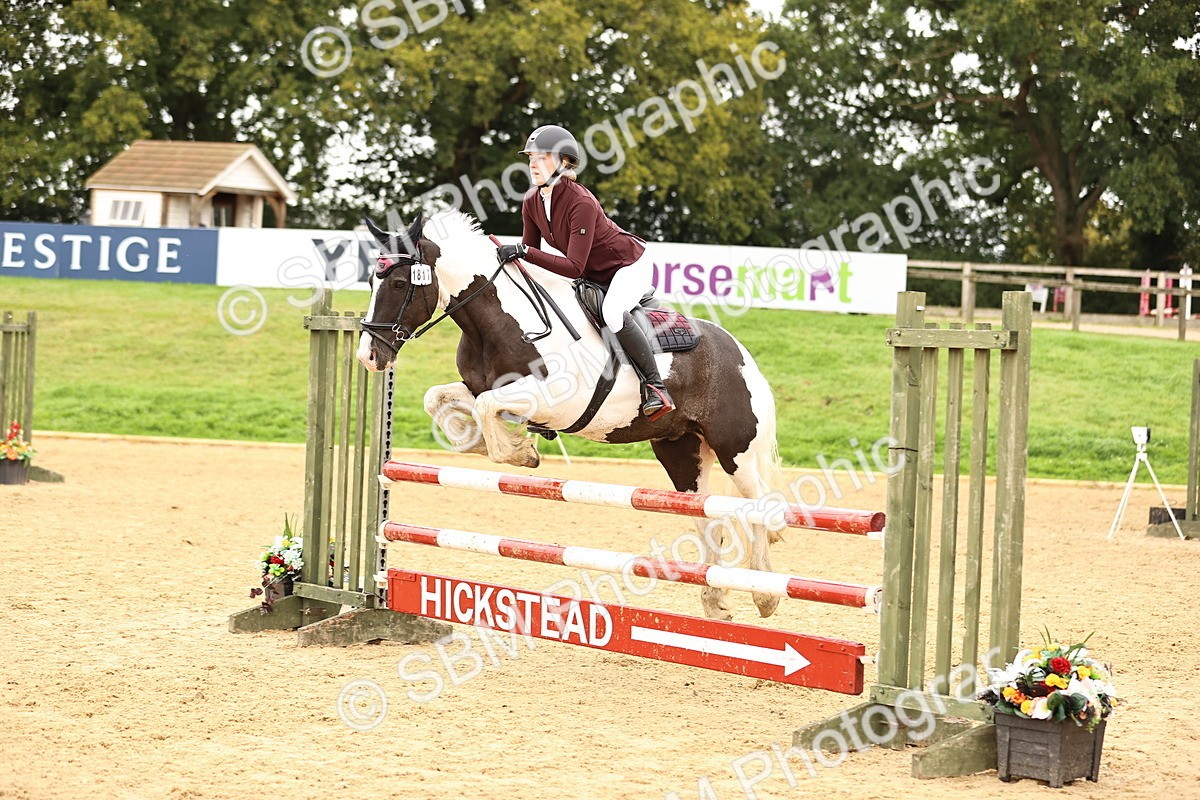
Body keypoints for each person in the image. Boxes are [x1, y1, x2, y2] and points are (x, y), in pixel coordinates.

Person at [495, 124, 674, 420]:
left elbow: (572, 266)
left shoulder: (581, 202)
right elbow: (531, 256)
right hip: (591, 273)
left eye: (542, 157)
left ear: (564, 162)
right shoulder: (531, 201)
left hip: (627, 265)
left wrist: (523, 251)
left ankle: (656, 387)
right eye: (530, 158)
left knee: (612, 313)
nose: (533, 164)